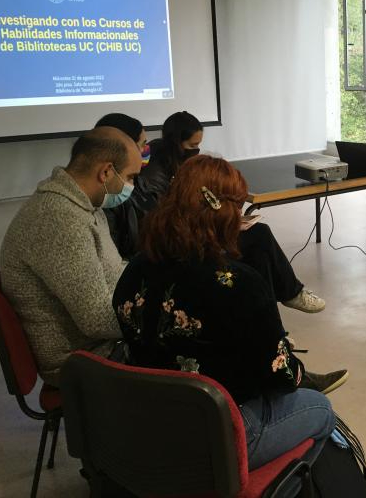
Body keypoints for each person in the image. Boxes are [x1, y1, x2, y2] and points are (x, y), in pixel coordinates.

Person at [112, 155, 340, 468]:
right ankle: (278, 484)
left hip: (149, 420)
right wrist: (292, 364)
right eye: (239, 208)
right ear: (224, 213)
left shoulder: (134, 270)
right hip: (216, 433)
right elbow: (282, 378)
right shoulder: (240, 284)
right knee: (320, 408)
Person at [137, 111, 325, 313]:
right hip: (184, 242)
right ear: (177, 142)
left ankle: (274, 307)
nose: (197, 150)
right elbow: (178, 216)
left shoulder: (180, 162)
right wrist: (220, 221)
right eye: (192, 146)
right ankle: (285, 298)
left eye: (199, 145)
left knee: (258, 244)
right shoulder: (156, 177)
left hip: (194, 231)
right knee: (258, 241)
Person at [0, 127, 143, 384]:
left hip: (105, 346)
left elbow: (114, 269)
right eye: (131, 177)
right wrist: (161, 314)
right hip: (87, 362)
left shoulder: (85, 205)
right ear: (106, 172)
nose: (132, 186)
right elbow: (97, 320)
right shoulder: (58, 219)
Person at [95, 113, 156, 259]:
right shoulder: (108, 197)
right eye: (142, 144)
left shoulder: (141, 180)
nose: (146, 150)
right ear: (126, 148)